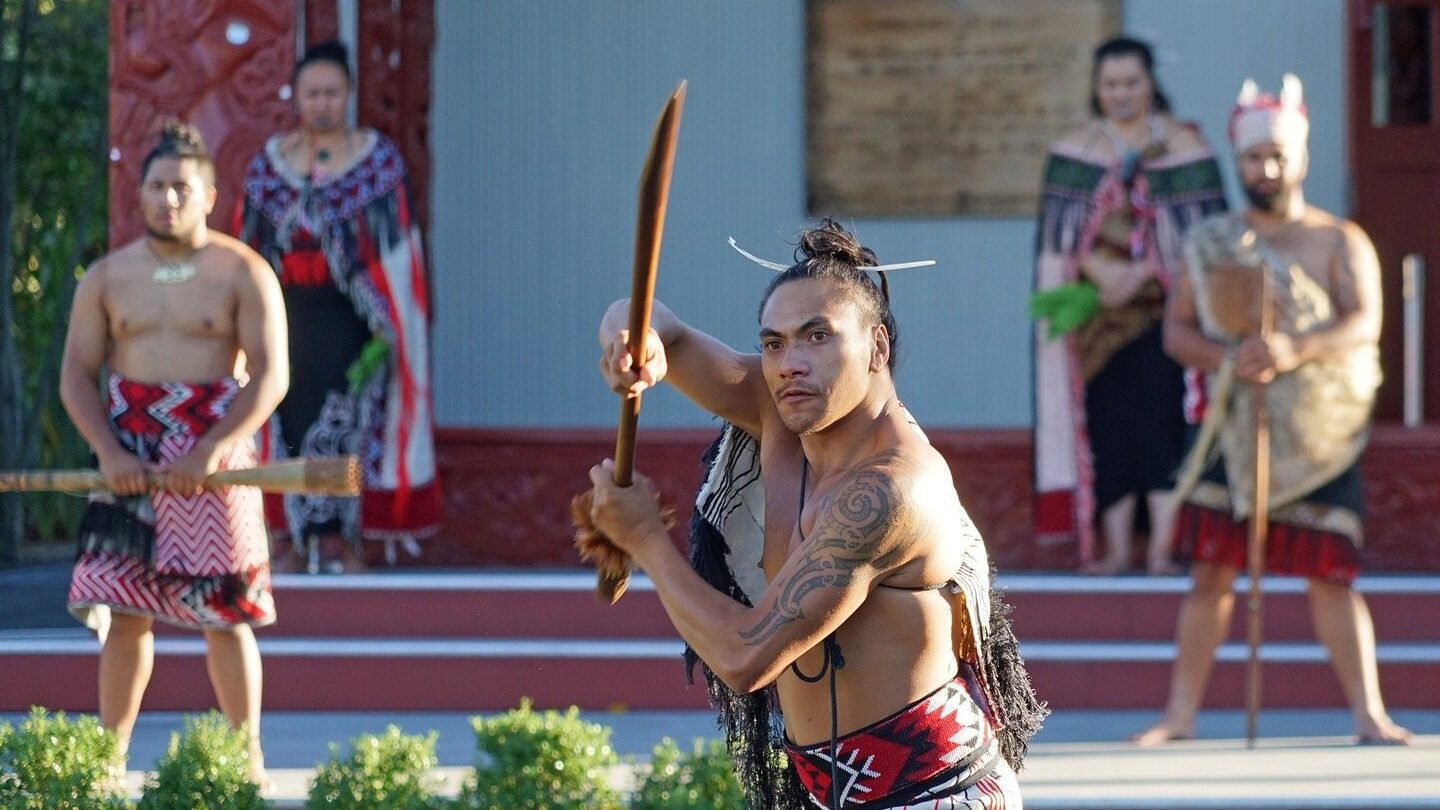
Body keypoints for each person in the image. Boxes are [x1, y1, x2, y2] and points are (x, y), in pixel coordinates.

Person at [585, 221, 1042, 808]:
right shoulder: (779, 406)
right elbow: (654, 324)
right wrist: (632, 337)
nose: (788, 363)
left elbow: (746, 658)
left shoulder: (888, 492)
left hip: (935, 794)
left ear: (877, 346)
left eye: (817, 336)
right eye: (773, 343)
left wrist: (645, 538)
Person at [1134, 75, 1411, 746]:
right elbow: (1178, 333)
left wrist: (1293, 348)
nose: (1267, 168)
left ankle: (1368, 715)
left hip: (1319, 432)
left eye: (1278, 155)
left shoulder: (1339, 240)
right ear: (1240, 160)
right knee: (1212, 573)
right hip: (1234, 424)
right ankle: (1180, 715)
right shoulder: (1213, 241)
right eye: (1255, 157)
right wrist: (1233, 359)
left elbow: (1364, 323)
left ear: (1301, 158)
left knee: (1331, 573)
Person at [61, 123, 288, 785]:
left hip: (215, 458)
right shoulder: (108, 275)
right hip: (127, 453)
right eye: (156, 186)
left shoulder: (243, 270)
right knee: (124, 612)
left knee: (227, 614)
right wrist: (107, 449)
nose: (167, 199)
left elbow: (272, 375)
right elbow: (77, 373)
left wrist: (211, 449)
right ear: (141, 194)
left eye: (180, 187)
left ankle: (245, 759)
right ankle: (108, 762)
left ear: (208, 194)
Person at [235, 39, 438, 573]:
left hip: (355, 325)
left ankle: (344, 538)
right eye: (312, 93)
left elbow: (399, 256)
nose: (322, 102)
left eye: (332, 92)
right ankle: (288, 537)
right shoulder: (269, 168)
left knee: (350, 426)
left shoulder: (378, 164)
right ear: (296, 98)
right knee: (286, 424)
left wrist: (386, 326)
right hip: (287, 322)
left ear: (347, 95)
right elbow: (247, 253)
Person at [1032, 37, 1229, 574]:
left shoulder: (1187, 147)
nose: (1120, 94)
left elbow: (1205, 238)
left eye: (1131, 83)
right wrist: (1099, 271)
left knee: (1163, 427)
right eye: (1110, 84)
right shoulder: (1073, 151)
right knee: (1109, 429)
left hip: (1167, 317)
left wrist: (1144, 270)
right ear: (1096, 89)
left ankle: (1163, 550)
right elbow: (1058, 243)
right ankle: (1116, 551)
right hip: (1094, 321)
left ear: (1151, 84)